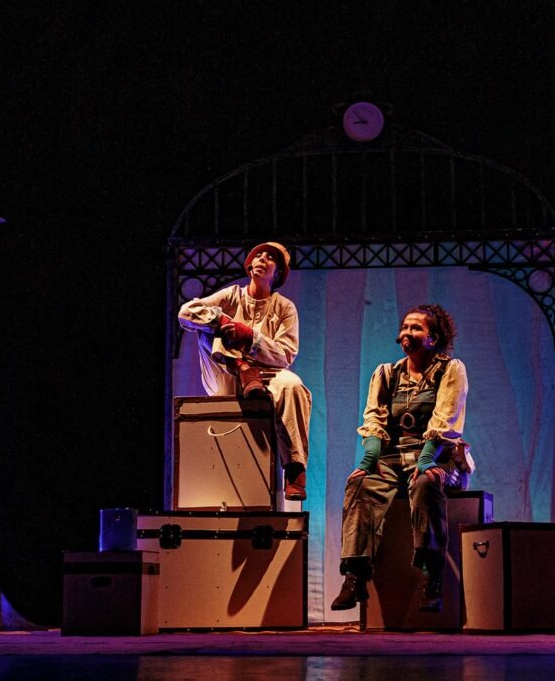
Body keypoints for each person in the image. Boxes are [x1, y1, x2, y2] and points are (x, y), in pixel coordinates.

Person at [331, 304, 469, 613]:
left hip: (438, 456)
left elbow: (446, 417)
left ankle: (432, 576)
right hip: (394, 458)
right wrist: (369, 461)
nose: (407, 332)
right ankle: (355, 576)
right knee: (359, 486)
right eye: (405, 327)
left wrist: (427, 459)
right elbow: (374, 418)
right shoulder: (387, 373)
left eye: (416, 327)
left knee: (426, 484)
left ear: (433, 338)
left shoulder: (450, 370)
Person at [177, 241, 312, 501]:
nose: (262, 259)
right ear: (249, 266)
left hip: (265, 378)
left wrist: (251, 337)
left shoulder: (285, 307)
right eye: (258, 255)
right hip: (224, 373)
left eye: (269, 258)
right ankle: (242, 366)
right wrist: (223, 321)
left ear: (277, 273)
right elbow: (186, 312)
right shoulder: (231, 295)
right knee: (208, 324)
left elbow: (285, 355)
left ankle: (295, 469)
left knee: (293, 385)